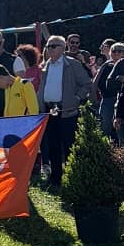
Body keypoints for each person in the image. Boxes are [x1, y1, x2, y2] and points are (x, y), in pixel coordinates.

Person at [37, 35, 92, 189]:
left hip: (66, 110)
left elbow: (86, 84)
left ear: (62, 48)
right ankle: (56, 178)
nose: (50, 49)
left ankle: (70, 177)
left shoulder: (72, 64)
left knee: (68, 145)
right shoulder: (45, 65)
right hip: (49, 110)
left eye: (53, 46)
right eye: (48, 46)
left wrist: (76, 98)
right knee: (52, 145)